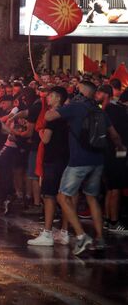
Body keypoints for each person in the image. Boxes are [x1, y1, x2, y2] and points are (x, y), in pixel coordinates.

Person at [45, 81, 126, 255]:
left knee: (62, 197)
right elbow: (115, 135)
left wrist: (58, 106)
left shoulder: (75, 107)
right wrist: (120, 149)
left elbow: (49, 117)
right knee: (92, 198)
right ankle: (100, 238)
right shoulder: (99, 111)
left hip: (78, 161)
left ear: (81, 92)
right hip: (97, 160)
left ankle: (82, 236)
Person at [28, 87, 71, 246]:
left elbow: (46, 139)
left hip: (52, 159)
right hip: (65, 158)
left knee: (49, 196)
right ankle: (64, 232)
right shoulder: (67, 114)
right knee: (64, 196)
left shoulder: (52, 116)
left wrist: (40, 131)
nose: (48, 97)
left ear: (58, 98)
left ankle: (47, 233)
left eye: (51, 95)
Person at [97, 84, 128, 234]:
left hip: (105, 153)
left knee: (110, 187)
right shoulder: (117, 111)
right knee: (115, 188)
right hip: (116, 153)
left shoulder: (106, 110)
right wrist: (121, 146)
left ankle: (109, 220)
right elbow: (115, 134)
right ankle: (114, 222)